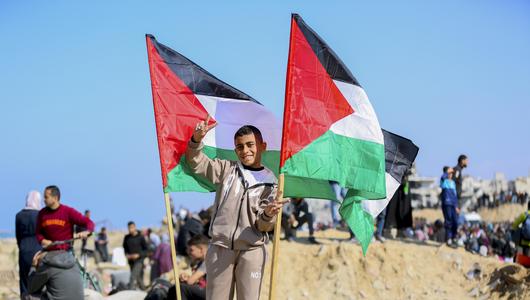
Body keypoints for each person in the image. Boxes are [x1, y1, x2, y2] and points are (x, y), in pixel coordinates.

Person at [186, 118, 285, 300]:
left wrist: (269, 215)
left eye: (250, 145)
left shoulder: (272, 183)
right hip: (220, 249)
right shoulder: (226, 169)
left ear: (262, 146)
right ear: (235, 150)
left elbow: (263, 226)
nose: (245, 150)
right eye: (240, 147)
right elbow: (197, 163)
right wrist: (196, 140)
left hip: (252, 251)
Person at [29, 185, 94, 299]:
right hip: (48, 255)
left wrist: (87, 232)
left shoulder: (68, 211)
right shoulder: (42, 213)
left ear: (55, 198)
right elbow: (38, 233)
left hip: (65, 254)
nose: (44, 199)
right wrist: (43, 240)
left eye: (46, 197)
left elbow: (88, 223)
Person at [15, 190, 42, 299]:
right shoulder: (41, 215)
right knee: (39, 279)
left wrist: (22, 247)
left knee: (24, 281)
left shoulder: (19, 215)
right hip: (39, 250)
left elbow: (18, 236)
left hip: (24, 250)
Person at [168, 234, 209, 300]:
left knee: (181, 288)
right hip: (207, 290)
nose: (189, 253)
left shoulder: (207, 261)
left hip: (212, 293)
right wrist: (186, 277)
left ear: (201, 249)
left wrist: (187, 279)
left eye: (191, 250)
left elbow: (190, 281)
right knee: (175, 289)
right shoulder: (201, 262)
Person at [123, 221, 148, 290]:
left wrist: (138, 255)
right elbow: (125, 248)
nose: (130, 229)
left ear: (134, 227)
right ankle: (145, 290)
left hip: (139, 261)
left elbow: (146, 250)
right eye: (129, 228)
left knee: (132, 277)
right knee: (138, 278)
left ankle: (129, 293)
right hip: (131, 261)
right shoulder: (126, 238)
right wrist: (127, 255)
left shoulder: (141, 237)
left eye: (131, 228)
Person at [440, 168, 459, 248]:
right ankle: (448, 239)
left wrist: (456, 206)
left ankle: (454, 238)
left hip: (453, 205)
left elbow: (455, 196)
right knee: (448, 221)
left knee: (455, 222)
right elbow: (442, 178)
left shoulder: (453, 183)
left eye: (451, 173)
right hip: (446, 203)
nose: (450, 174)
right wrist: (446, 172)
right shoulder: (444, 182)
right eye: (449, 173)